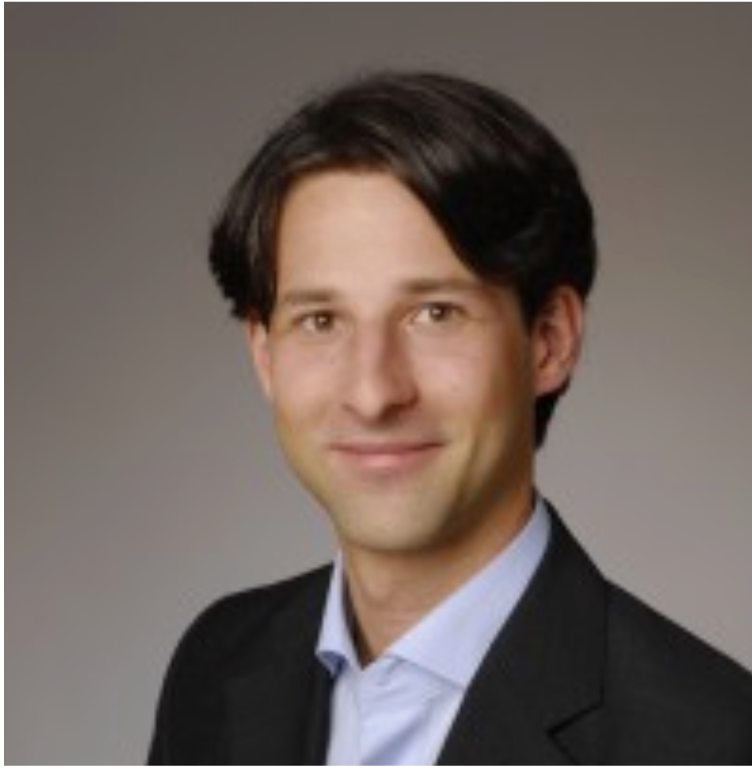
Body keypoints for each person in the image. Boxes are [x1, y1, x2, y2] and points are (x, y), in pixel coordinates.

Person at [147, 71, 751, 766]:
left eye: (435, 313)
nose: (373, 393)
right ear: (264, 354)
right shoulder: (217, 664)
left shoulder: (712, 740)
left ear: (549, 340)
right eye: (321, 320)